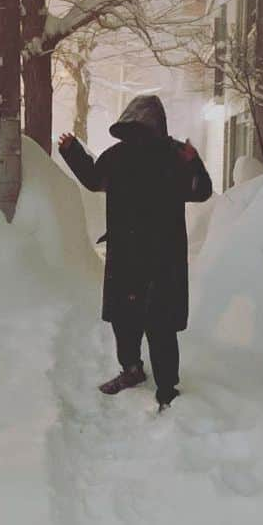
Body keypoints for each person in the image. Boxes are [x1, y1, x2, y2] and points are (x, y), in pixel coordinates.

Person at [59, 94, 213, 410]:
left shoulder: (173, 156)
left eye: (143, 129)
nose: (138, 136)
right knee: (125, 319)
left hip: (163, 258)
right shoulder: (117, 157)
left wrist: (193, 161)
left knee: (160, 323)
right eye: (133, 129)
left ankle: (167, 387)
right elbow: (93, 179)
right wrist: (72, 152)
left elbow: (201, 191)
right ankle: (131, 370)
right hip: (126, 253)